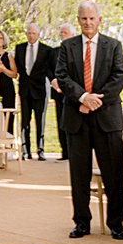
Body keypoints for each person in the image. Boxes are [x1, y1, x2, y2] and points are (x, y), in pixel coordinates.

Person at [56, 1, 123, 239]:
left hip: (107, 118)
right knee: (79, 174)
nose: (88, 23)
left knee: (113, 174)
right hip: (77, 119)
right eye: (84, 19)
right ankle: (82, 223)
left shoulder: (114, 45)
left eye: (92, 19)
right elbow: (62, 77)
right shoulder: (67, 46)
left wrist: (95, 101)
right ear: (78, 20)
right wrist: (83, 98)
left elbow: (118, 78)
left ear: (100, 20)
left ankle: (116, 223)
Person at [15, 23, 55, 160]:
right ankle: (25, 150)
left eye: (34, 33)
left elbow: (49, 70)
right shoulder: (19, 48)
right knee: (25, 121)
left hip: (40, 90)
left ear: (38, 34)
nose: (31, 36)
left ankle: (40, 149)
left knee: (40, 120)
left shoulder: (46, 50)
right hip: (25, 90)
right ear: (26, 34)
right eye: (29, 33)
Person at [51, 23, 75, 158]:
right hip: (58, 92)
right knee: (61, 121)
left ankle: (72, 151)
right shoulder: (54, 52)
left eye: (65, 33)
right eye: (61, 33)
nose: (62, 35)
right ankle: (64, 151)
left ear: (72, 35)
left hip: (73, 93)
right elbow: (49, 69)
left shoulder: (78, 51)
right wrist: (54, 82)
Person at [0, 29, 18, 135]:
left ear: (4, 40)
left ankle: (8, 143)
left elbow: (14, 74)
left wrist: (3, 69)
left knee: (8, 116)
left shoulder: (8, 56)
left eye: (1, 38)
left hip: (7, 90)